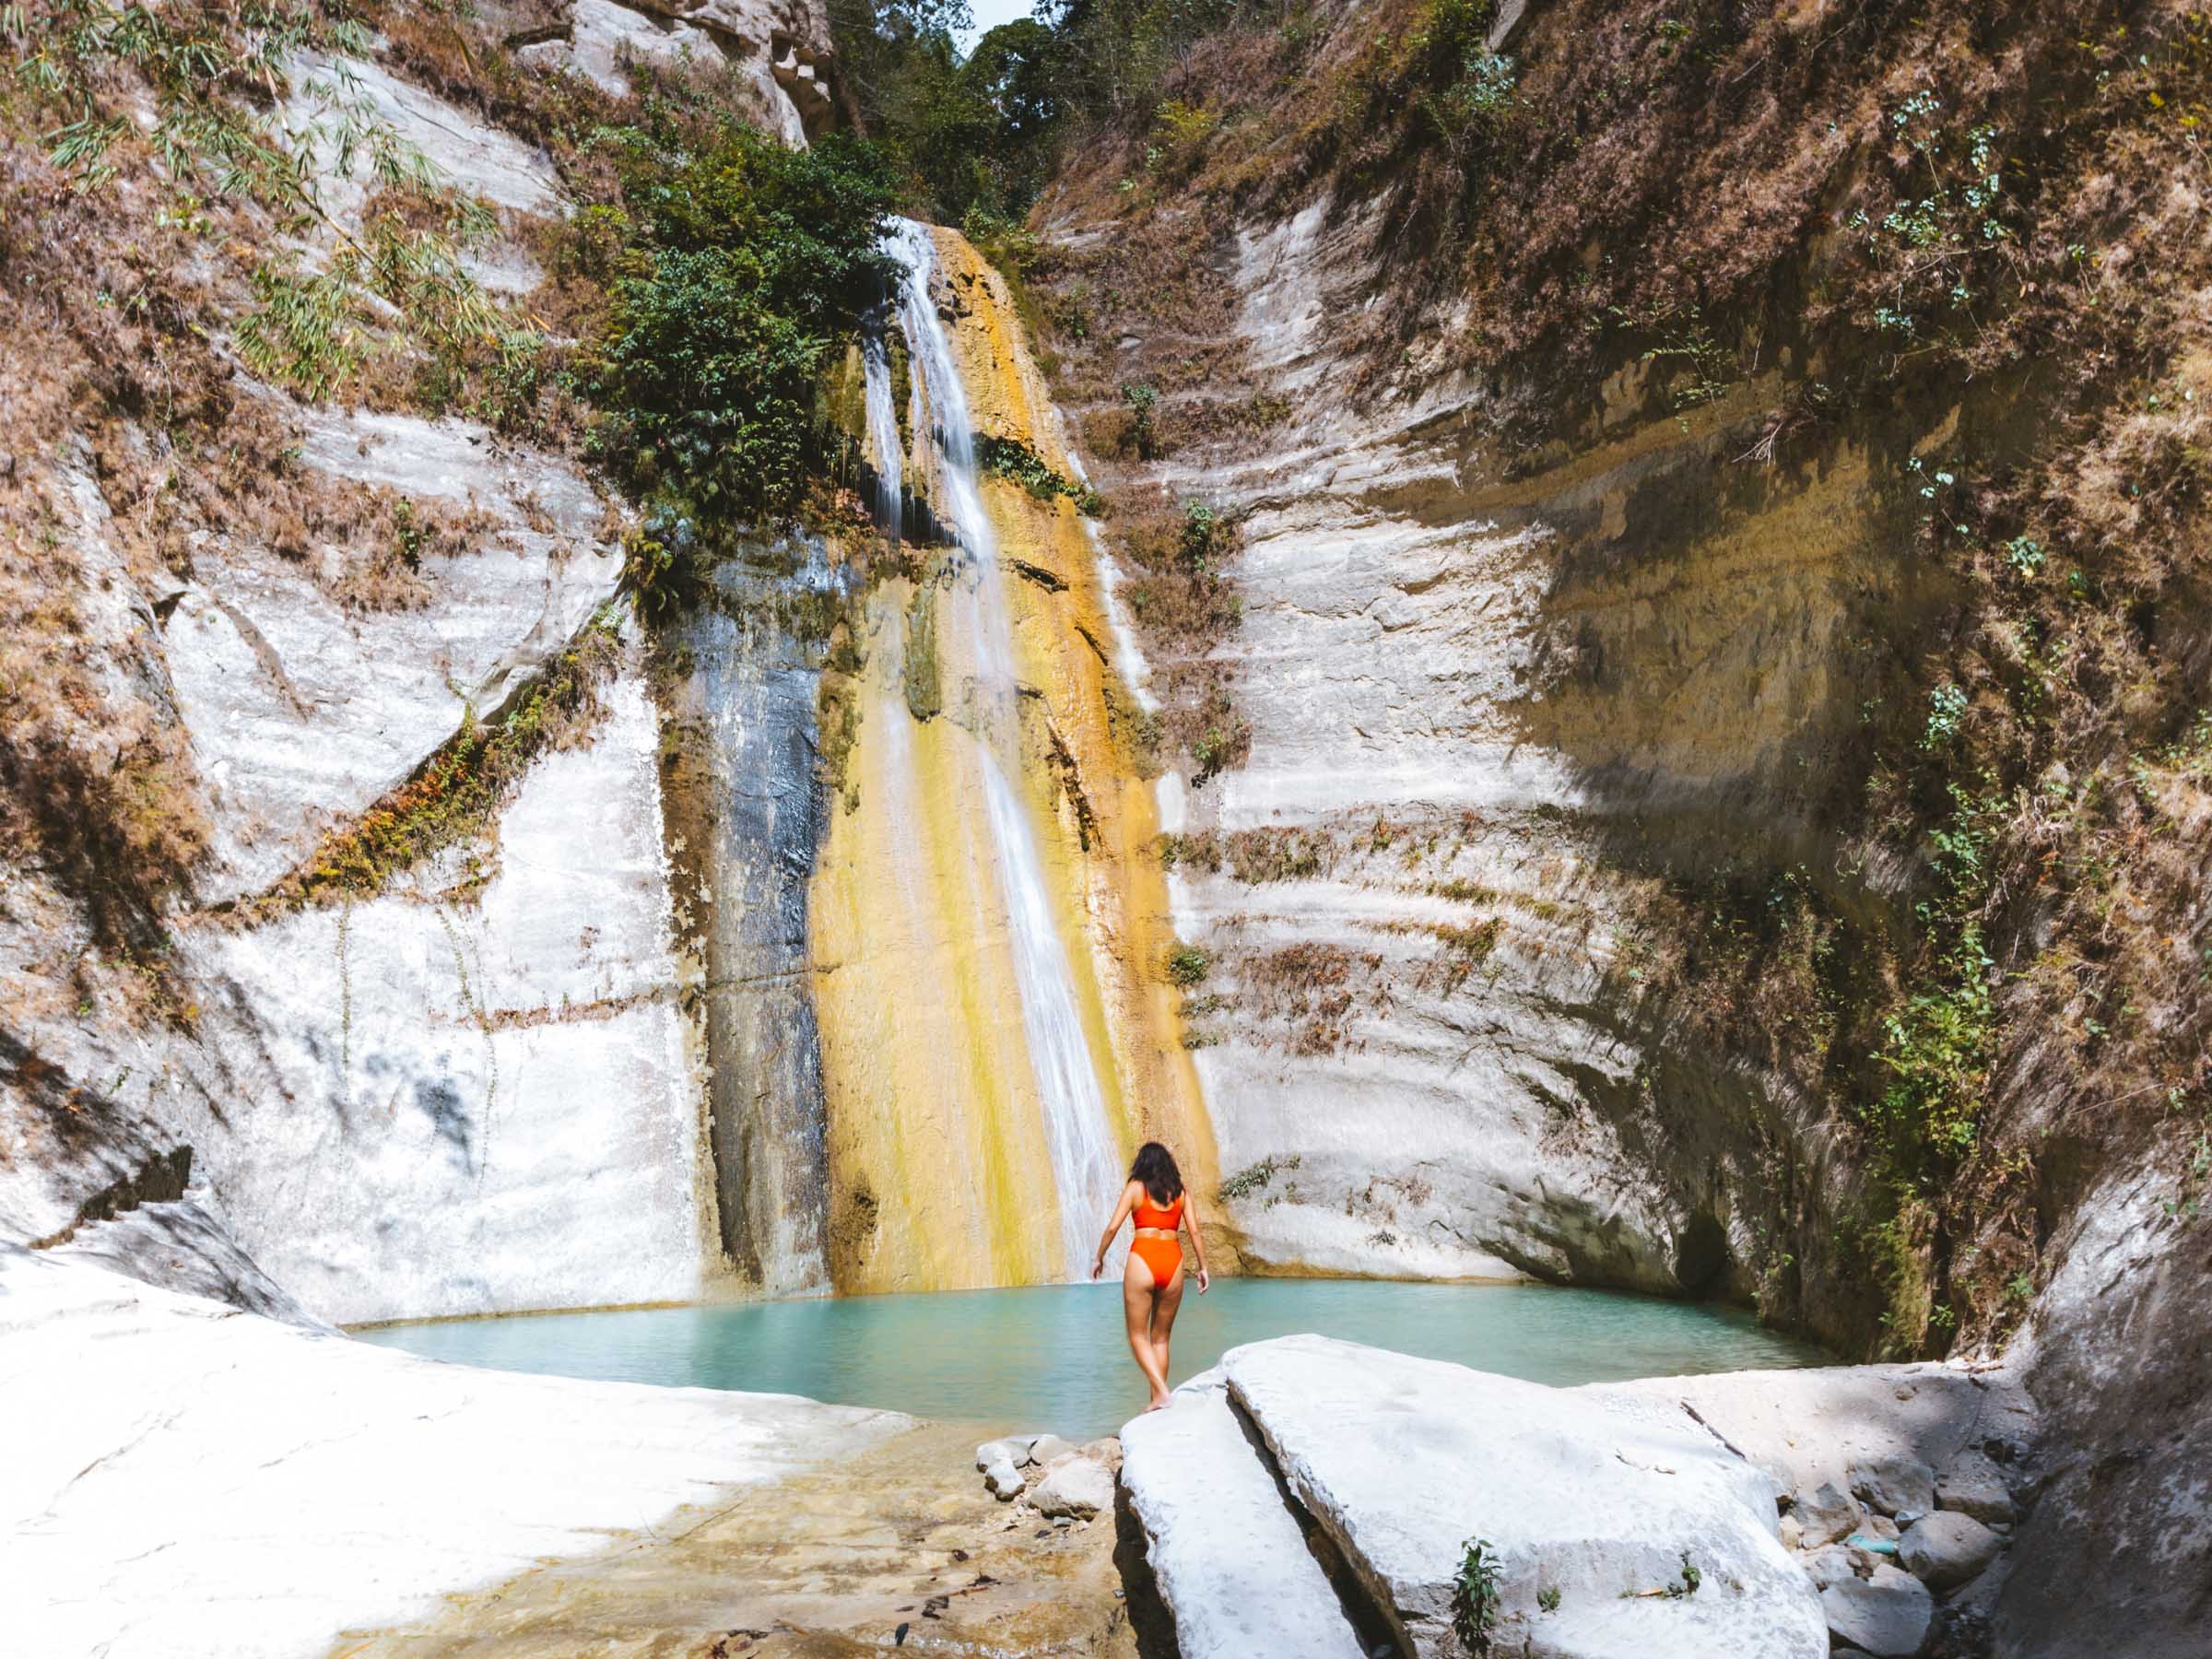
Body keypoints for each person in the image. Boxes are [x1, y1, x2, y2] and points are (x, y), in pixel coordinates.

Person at [1090, 1141, 1210, 1412]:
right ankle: (1158, 1397)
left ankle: (1162, 1394)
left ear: (1141, 1164)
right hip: (1173, 1261)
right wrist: (1203, 1267)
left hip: (1143, 1258)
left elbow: (1112, 1228)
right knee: (1161, 1338)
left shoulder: (1136, 1188)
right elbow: (1195, 1232)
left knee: (1137, 1336)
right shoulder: (1180, 1192)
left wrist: (1099, 1257)